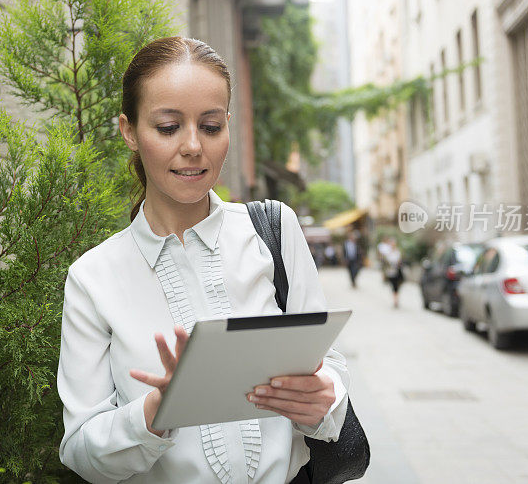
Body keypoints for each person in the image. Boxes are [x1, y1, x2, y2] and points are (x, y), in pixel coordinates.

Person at [57, 37, 350, 484]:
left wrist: (324, 399)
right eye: (168, 127)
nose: (193, 146)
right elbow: (80, 449)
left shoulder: (272, 230)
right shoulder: (93, 277)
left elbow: (327, 365)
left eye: (211, 126)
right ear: (129, 131)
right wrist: (153, 415)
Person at [382, 237, 404, 308]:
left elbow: (400, 261)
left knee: (396, 286)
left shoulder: (398, 252)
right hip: (390, 272)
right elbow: (385, 263)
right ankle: (395, 299)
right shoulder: (387, 253)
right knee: (393, 286)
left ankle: (396, 300)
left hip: (397, 272)